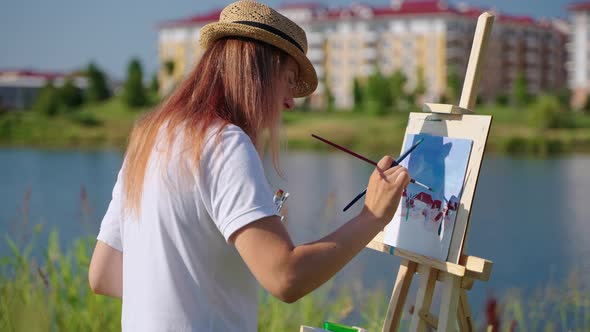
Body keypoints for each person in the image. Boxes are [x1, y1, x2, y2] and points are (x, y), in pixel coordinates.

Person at [88, 1, 410, 331]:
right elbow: (286, 277)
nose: (290, 101)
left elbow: (103, 273)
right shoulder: (222, 143)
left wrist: (182, 289)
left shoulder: (150, 138)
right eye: (288, 80)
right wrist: (373, 216)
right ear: (259, 71)